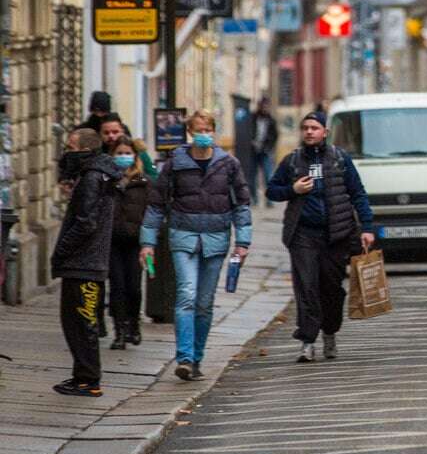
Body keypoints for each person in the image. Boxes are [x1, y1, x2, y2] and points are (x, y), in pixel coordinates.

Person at [140, 109, 252, 382]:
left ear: (213, 132)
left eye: (207, 130)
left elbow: (241, 204)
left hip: (216, 239)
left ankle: (197, 357)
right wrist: (148, 242)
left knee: (204, 302)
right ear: (190, 133)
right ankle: (185, 358)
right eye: (198, 130)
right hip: (184, 236)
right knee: (187, 295)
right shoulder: (175, 163)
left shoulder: (229, 164)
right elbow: (156, 204)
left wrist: (243, 242)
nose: (203, 135)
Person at [267, 111, 374, 363]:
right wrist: (292, 190)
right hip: (303, 234)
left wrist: (367, 227)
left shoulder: (339, 159)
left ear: (325, 132)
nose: (309, 132)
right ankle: (307, 341)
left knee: (331, 289)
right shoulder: (292, 161)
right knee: (306, 287)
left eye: (314, 128)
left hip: (336, 235)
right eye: (305, 128)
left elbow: (357, 193)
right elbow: (272, 190)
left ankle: (330, 333)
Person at [50, 127, 121, 396]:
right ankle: (83, 376)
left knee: (81, 322)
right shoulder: (98, 174)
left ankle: (88, 380)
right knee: (79, 322)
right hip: (88, 262)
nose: (67, 152)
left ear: (84, 151)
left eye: (71, 146)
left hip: (85, 264)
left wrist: (62, 250)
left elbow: (85, 223)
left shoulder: (92, 177)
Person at [108, 137, 149, 350]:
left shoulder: (143, 182)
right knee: (117, 287)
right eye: (119, 153)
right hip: (112, 241)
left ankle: (134, 323)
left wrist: (148, 241)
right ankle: (120, 331)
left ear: (134, 156)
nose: (124, 157)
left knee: (134, 287)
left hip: (136, 242)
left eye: (127, 153)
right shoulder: (107, 181)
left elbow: (151, 212)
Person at [100, 114, 158, 179]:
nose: (111, 136)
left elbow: (153, 177)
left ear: (122, 131)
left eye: (115, 132)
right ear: (100, 134)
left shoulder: (139, 152)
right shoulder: (98, 155)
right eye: (106, 133)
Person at [248, 98, 279, 205]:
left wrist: (269, 148)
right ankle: (254, 199)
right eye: (263, 106)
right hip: (253, 151)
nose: (265, 108)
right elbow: (247, 131)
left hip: (265, 151)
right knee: (252, 176)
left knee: (268, 176)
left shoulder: (271, 120)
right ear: (259, 106)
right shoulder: (252, 117)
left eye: (267, 106)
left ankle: (269, 200)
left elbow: (275, 136)